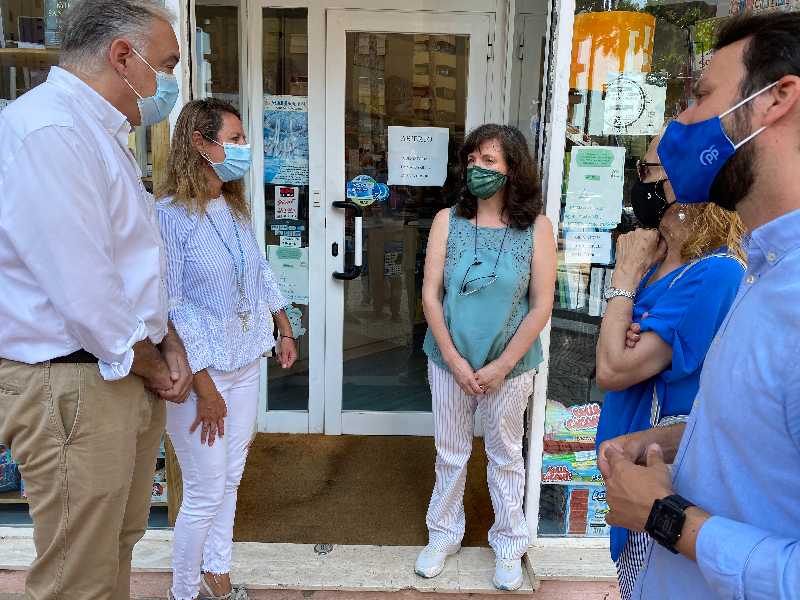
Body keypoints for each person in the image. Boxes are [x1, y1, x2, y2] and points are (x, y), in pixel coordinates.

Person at [597, 13, 800, 599]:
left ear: (776, 99)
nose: (677, 126)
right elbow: (763, 441)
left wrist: (666, 518)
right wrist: (676, 437)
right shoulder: (765, 274)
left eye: (701, 96)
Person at [0, 1, 192, 598]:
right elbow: (85, 286)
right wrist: (157, 363)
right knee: (76, 575)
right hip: (75, 380)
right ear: (121, 57)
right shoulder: (52, 131)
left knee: (115, 548)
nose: (170, 83)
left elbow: (130, 265)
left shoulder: (98, 132)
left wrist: (169, 339)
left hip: (114, 373)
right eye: (166, 64)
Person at [157, 98, 297, 600]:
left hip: (244, 363)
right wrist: (204, 385)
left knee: (231, 476)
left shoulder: (232, 208)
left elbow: (257, 271)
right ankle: (183, 591)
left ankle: (218, 570)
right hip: (202, 375)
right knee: (202, 490)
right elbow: (168, 310)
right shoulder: (168, 217)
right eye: (234, 139)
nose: (243, 148)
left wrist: (283, 323)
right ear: (200, 142)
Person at [594, 133, 745, 599]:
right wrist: (624, 319)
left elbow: (614, 367)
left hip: (659, 464)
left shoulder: (714, 271)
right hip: (626, 451)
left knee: (647, 584)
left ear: (689, 180)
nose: (641, 183)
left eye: (650, 170)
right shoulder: (657, 259)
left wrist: (621, 281)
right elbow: (617, 350)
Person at [417, 124, 556, 591]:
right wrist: (455, 361)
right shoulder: (446, 221)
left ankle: (510, 544)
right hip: (448, 359)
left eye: (490, 161)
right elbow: (430, 295)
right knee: (451, 453)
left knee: (505, 456)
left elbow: (541, 304)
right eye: (473, 160)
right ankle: (443, 535)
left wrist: (499, 366)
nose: (478, 169)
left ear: (512, 169)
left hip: (510, 365)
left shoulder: (536, 228)